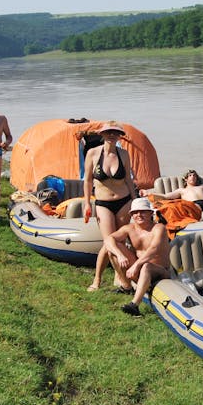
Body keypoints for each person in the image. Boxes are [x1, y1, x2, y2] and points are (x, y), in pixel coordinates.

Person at [83, 121, 138, 292]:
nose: (112, 135)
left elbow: (128, 180)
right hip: (103, 203)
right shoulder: (92, 153)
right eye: (108, 132)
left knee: (119, 242)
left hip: (124, 201)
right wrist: (86, 203)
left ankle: (119, 276)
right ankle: (97, 280)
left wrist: (135, 202)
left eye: (115, 132)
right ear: (102, 134)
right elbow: (88, 181)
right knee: (109, 242)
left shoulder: (123, 154)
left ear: (119, 135)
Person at [100, 198, 171, 317]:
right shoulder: (129, 228)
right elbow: (108, 239)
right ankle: (126, 287)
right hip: (138, 269)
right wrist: (120, 255)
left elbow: (153, 250)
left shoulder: (159, 228)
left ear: (150, 213)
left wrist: (136, 265)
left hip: (160, 271)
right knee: (112, 248)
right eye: (135, 212)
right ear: (132, 215)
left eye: (143, 211)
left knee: (146, 267)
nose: (139, 215)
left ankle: (134, 305)